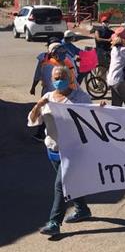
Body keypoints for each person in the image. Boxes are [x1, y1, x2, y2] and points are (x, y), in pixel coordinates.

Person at [28, 66, 94, 236]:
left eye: (62, 76)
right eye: (56, 77)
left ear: (70, 78)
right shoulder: (48, 97)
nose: (59, 80)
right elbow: (33, 119)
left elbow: (93, 118)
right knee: (68, 183)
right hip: (52, 148)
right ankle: (82, 209)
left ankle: (54, 222)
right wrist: (38, 105)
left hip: (72, 150)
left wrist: (101, 109)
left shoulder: (79, 97)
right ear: (51, 78)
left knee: (61, 185)